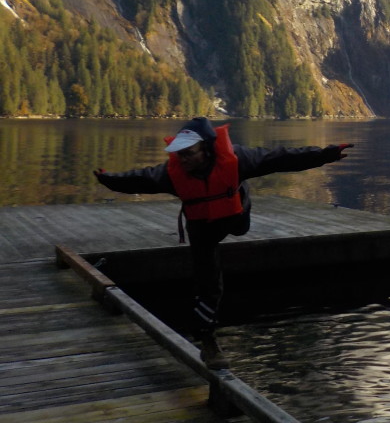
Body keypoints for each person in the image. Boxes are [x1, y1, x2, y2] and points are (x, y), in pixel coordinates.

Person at [94, 116, 352, 370]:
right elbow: (140, 178)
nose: (182, 159)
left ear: (206, 149)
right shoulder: (173, 174)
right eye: (179, 154)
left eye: (189, 153)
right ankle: (207, 340)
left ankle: (236, 220)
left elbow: (281, 158)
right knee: (208, 282)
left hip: (235, 216)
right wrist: (109, 179)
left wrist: (325, 154)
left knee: (240, 228)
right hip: (201, 226)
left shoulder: (239, 160)